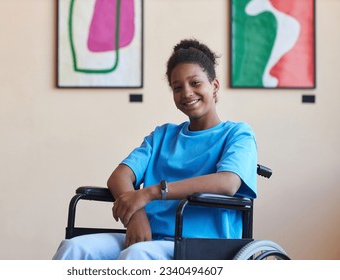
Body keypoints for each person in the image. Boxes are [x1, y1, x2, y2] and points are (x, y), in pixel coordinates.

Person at [52, 38, 257, 260]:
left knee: (136, 255)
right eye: (177, 87)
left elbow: (227, 183)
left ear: (214, 86)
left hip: (203, 245)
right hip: (150, 238)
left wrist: (149, 193)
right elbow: (120, 176)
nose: (187, 93)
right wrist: (136, 215)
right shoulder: (162, 135)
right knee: (74, 248)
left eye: (195, 83)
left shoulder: (237, 134)